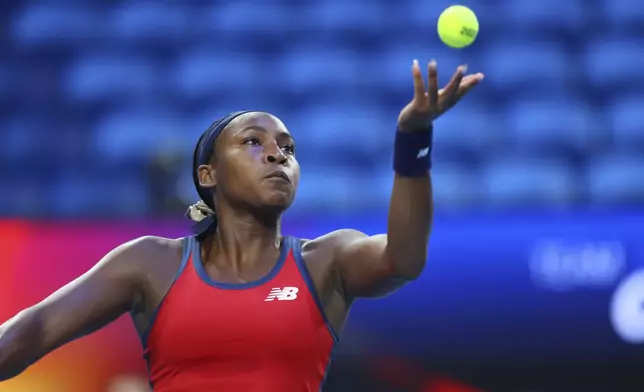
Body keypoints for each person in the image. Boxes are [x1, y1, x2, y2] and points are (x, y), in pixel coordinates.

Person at [0, 60, 483, 391]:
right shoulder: (150, 263)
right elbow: (37, 327)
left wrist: (413, 139)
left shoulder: (326, 261)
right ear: (207, 175)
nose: (278, 153)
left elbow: (403, 258)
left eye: (288, 148)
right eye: (253, 142)